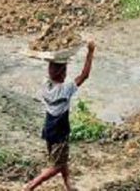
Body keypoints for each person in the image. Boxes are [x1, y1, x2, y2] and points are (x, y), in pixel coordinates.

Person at [22, 40, 96, 191]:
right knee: (57, 165)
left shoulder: (45, 86)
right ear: (63, 73)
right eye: (65, 69)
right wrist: (90, 52)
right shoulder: (66, 89)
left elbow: (52, 72)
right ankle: (31, 186)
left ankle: (68, 185)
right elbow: (85, 75)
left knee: (61, 158)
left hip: (48, 130)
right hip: (60, 131)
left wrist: (53, 59)